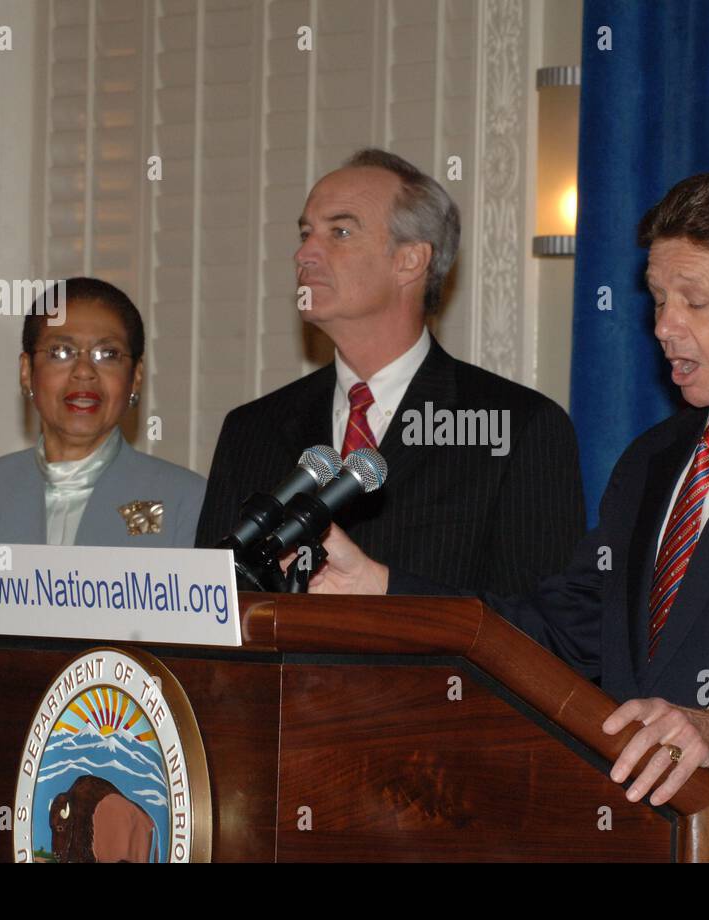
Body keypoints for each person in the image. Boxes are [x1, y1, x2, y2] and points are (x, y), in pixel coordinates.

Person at [301, 171, 709, 862]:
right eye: (658, 299)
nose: (663, 326)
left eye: (695, 302)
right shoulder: (654, 458)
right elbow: (558, 630)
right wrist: (383, 588)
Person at [0, 277, 205, 862]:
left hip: (123, 826)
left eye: (108, 354)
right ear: (25, 372)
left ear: (135, 379)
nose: (84, 374)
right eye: (61, 352)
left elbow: (191, 689)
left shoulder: (186, 503)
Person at [195, 148, 585, 594]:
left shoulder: (515, 427)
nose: (304, 254)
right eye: (305, 233)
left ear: (411, 261)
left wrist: (386, 587)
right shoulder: (251, 429)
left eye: (339, 231)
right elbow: (210, 611)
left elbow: (540, 633)